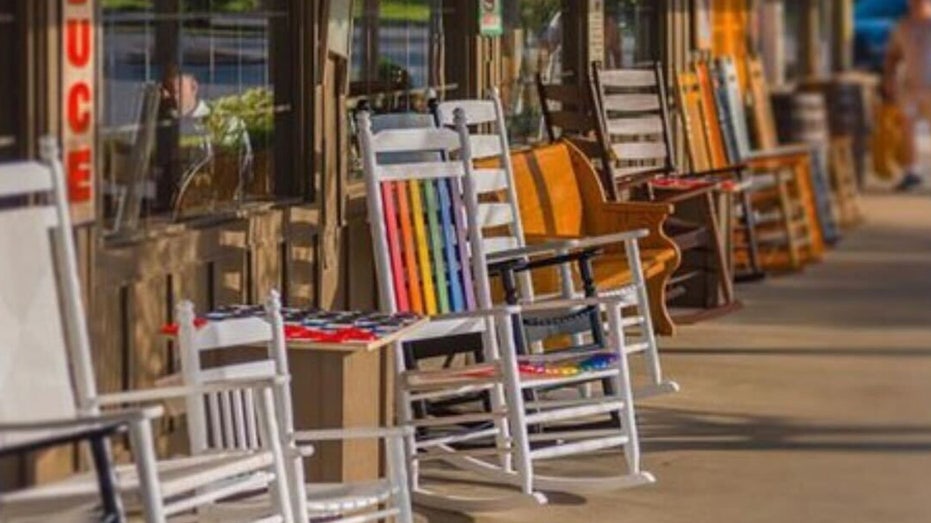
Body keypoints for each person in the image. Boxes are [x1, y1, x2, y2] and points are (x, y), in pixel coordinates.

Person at [883, 0, 931, 192]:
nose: (917, 4)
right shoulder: (902, 26)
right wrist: (889, 77)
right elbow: (893, 55)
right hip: (912, 85)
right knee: (908, 127)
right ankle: (912, 171)